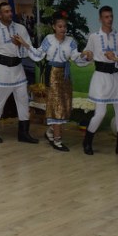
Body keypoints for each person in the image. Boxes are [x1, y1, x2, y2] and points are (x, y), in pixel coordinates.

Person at [0, 2, 44, 144]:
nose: (10, 13)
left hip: (18, 70)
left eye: (10, 11)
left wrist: (19, 45)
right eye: (6, 11)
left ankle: (24, 133)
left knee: (23, 101)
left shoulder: (21, 28)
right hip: (2, 71)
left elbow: (27, 51)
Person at [81, 6, 118, 157]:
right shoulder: (94, 37)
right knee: (100, 113)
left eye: (111, 16)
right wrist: (87, 56)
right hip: (101, 78)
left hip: (116, 77)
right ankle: (87, 141)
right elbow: (87, 54)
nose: (109, 19)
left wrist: (115, 57)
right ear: (100, 19)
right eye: (106, 17)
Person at [35, 13, 88, 151]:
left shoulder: (71, 41)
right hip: (52, 74)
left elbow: (76, 57)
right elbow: (39, 53)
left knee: (65, 105)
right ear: (54, 27)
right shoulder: (48, 39)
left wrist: (84, 55)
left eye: (64, 26)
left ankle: (51, 131)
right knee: (56, 105)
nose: (63, 29)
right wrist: (25, 45)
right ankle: (57, 140)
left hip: (65, 75)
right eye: (60, 26)